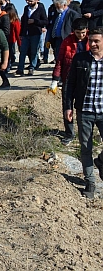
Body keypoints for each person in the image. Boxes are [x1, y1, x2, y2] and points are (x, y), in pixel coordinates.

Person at [63, 27, 103, 199]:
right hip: (85, 110)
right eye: (90, 41)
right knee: (86, 147)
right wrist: (68, 106)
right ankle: (90, 182)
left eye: (96, 41)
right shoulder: (80, 59)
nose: (92, 44)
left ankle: (100, 161)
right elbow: (70, 84)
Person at [50, 18, 89, 145]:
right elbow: (60, 60)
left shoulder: (92, 40)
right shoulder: (67, 41)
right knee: (67, 106)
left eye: (83, 32)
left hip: (86, 80)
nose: (81, 35)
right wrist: (55, 79)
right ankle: (69, 133)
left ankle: (86, 133)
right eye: (78, 33)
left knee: (84, 108)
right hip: (68, 78)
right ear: (74, 31)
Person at [16, 0, 47, 76]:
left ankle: (32, 67)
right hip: (26, 33)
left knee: (34, 51)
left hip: (35, 33)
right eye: (28, 1)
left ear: (36, 0)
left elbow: (45, 21)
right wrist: (21, 33)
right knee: (23, 51)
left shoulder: (40, 8)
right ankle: (20, 68)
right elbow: (23, 21)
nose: (29, 3)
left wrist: (35, 21)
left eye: (31, 1)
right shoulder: (26, 8)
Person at [6, 6, 21, 73]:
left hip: (12, 40)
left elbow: (18, 32)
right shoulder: (6, 21)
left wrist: (19, 43)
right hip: (6, 39)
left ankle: (8, 66)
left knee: (10, 54)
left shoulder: (15, 21)